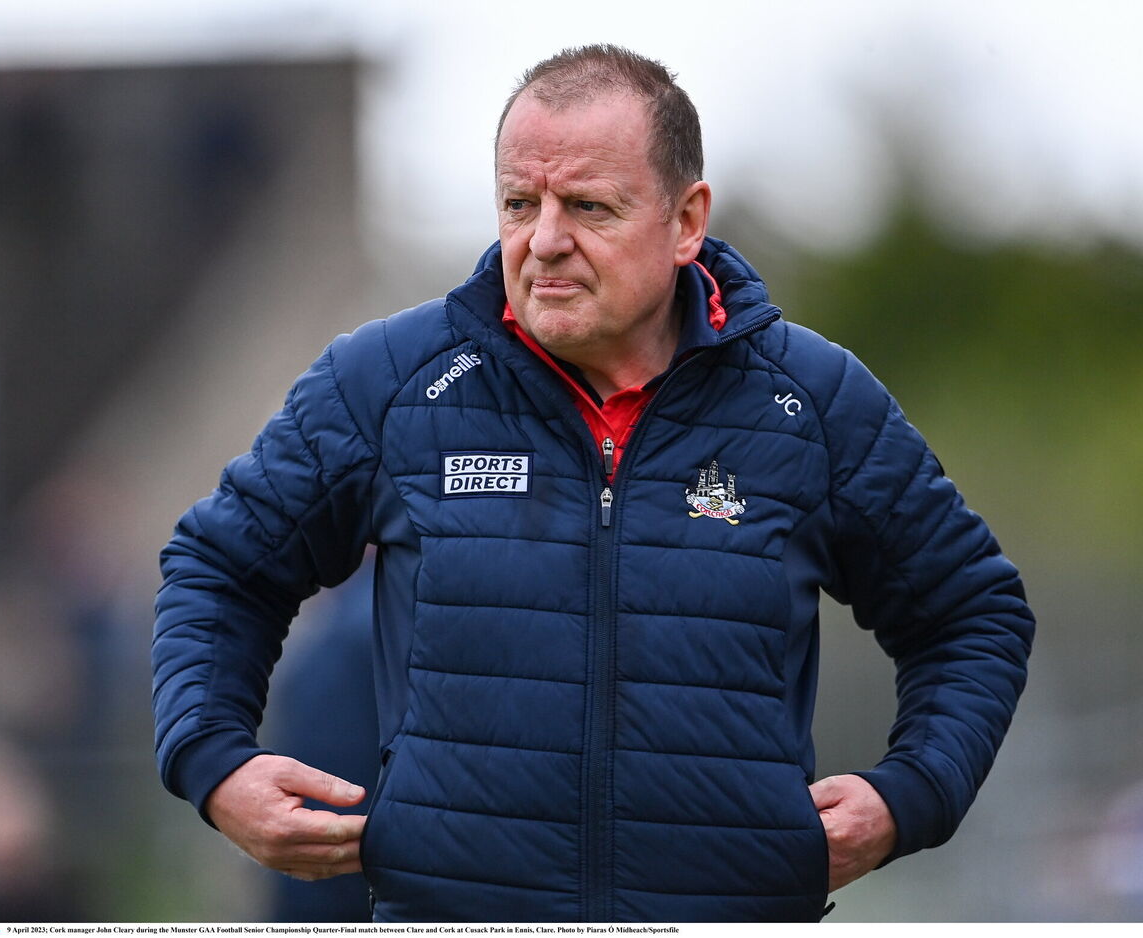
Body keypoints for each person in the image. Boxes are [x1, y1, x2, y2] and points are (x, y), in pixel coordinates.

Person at [152, 44, 1034, 923]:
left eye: (587, 207)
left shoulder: (812, 402)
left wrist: (909, 794)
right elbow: (220, 568)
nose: (543, 242)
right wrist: (215, 762)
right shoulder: (387, 383)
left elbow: (972, 616)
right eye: (518, 203)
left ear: (687, 221)